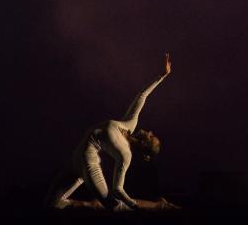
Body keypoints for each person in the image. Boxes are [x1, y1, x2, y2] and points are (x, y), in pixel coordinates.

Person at [43, 53, 177, 211]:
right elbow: (142, 95)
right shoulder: (130, 124)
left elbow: (117, 189)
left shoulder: (126, 155)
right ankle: (90, 205)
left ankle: (159, 206)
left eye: (151, 136)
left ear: (144, 144)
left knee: (114, 207)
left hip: (89, 163)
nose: (150, 132)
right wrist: (162, 76)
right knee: (52, 203)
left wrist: (133, 205)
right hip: (76, 158)